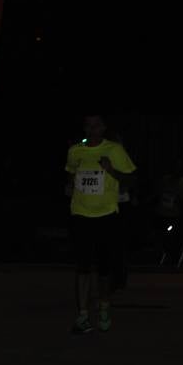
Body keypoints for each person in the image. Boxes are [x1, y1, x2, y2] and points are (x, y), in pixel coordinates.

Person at [65, 114, 135, 333]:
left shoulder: (114, 150)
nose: (91, 129)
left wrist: (110, 170)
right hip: (81, 214)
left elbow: (131, 179)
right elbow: (70, 174)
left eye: (96, 125)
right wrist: (74, 186)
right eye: (88, 125)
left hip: (106, 215)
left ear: (103, 128)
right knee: (83, 268)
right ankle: (83, 315)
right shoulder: (75, 151)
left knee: (104, 269)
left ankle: (104, 306)